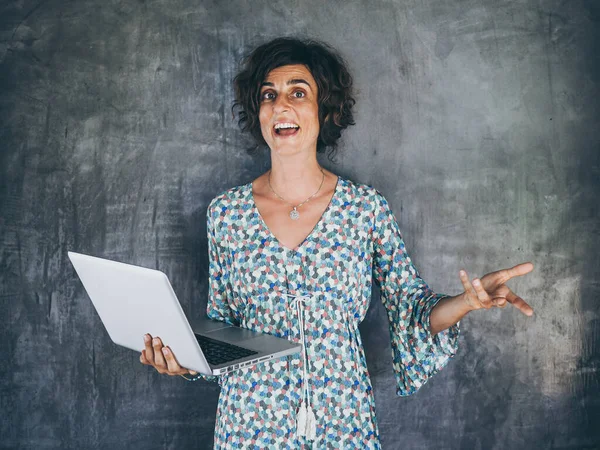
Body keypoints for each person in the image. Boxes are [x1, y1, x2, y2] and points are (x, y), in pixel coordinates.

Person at [140, 37, 534, 449]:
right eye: (268, 95)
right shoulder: (226, 214)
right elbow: (222, 328)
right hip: (248, 426)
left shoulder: (365, 209)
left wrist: (467, 302)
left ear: (325, 110)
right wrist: (180, 359)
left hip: (343, 424)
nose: (281, 106)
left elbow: (413, 311)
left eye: (298, 92)